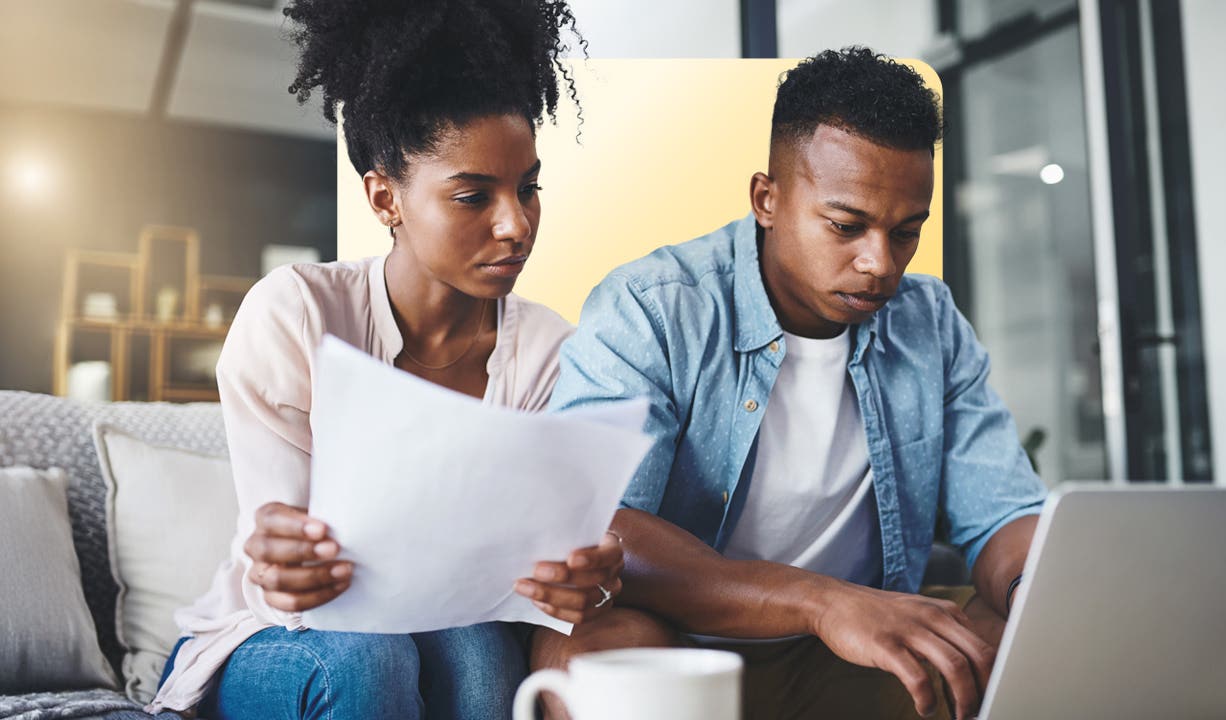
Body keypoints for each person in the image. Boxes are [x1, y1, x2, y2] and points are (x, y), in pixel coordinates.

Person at [518, 47, 1047, 720]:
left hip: (860, 644)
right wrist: (820, 602)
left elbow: (1002, 512)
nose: (880, 263)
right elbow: (603, 522)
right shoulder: (652, 307)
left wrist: (1037, 593)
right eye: (847, 226)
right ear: (767, 199)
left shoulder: (929, 322)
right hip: (683, 640)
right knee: (601, 664)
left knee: (1017, 643)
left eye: (906, 232)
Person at [147, 2, 622, 718]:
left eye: (528, 188)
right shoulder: (297, 313)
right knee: (372, 658)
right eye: (473, 196)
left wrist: (589, 572)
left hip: (443, 626)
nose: (516, 224)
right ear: (384, 198)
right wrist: (281, 553)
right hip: (275, 636)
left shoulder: (549, 352)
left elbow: (527, 565)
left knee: (487, 658)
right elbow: (285, 553)